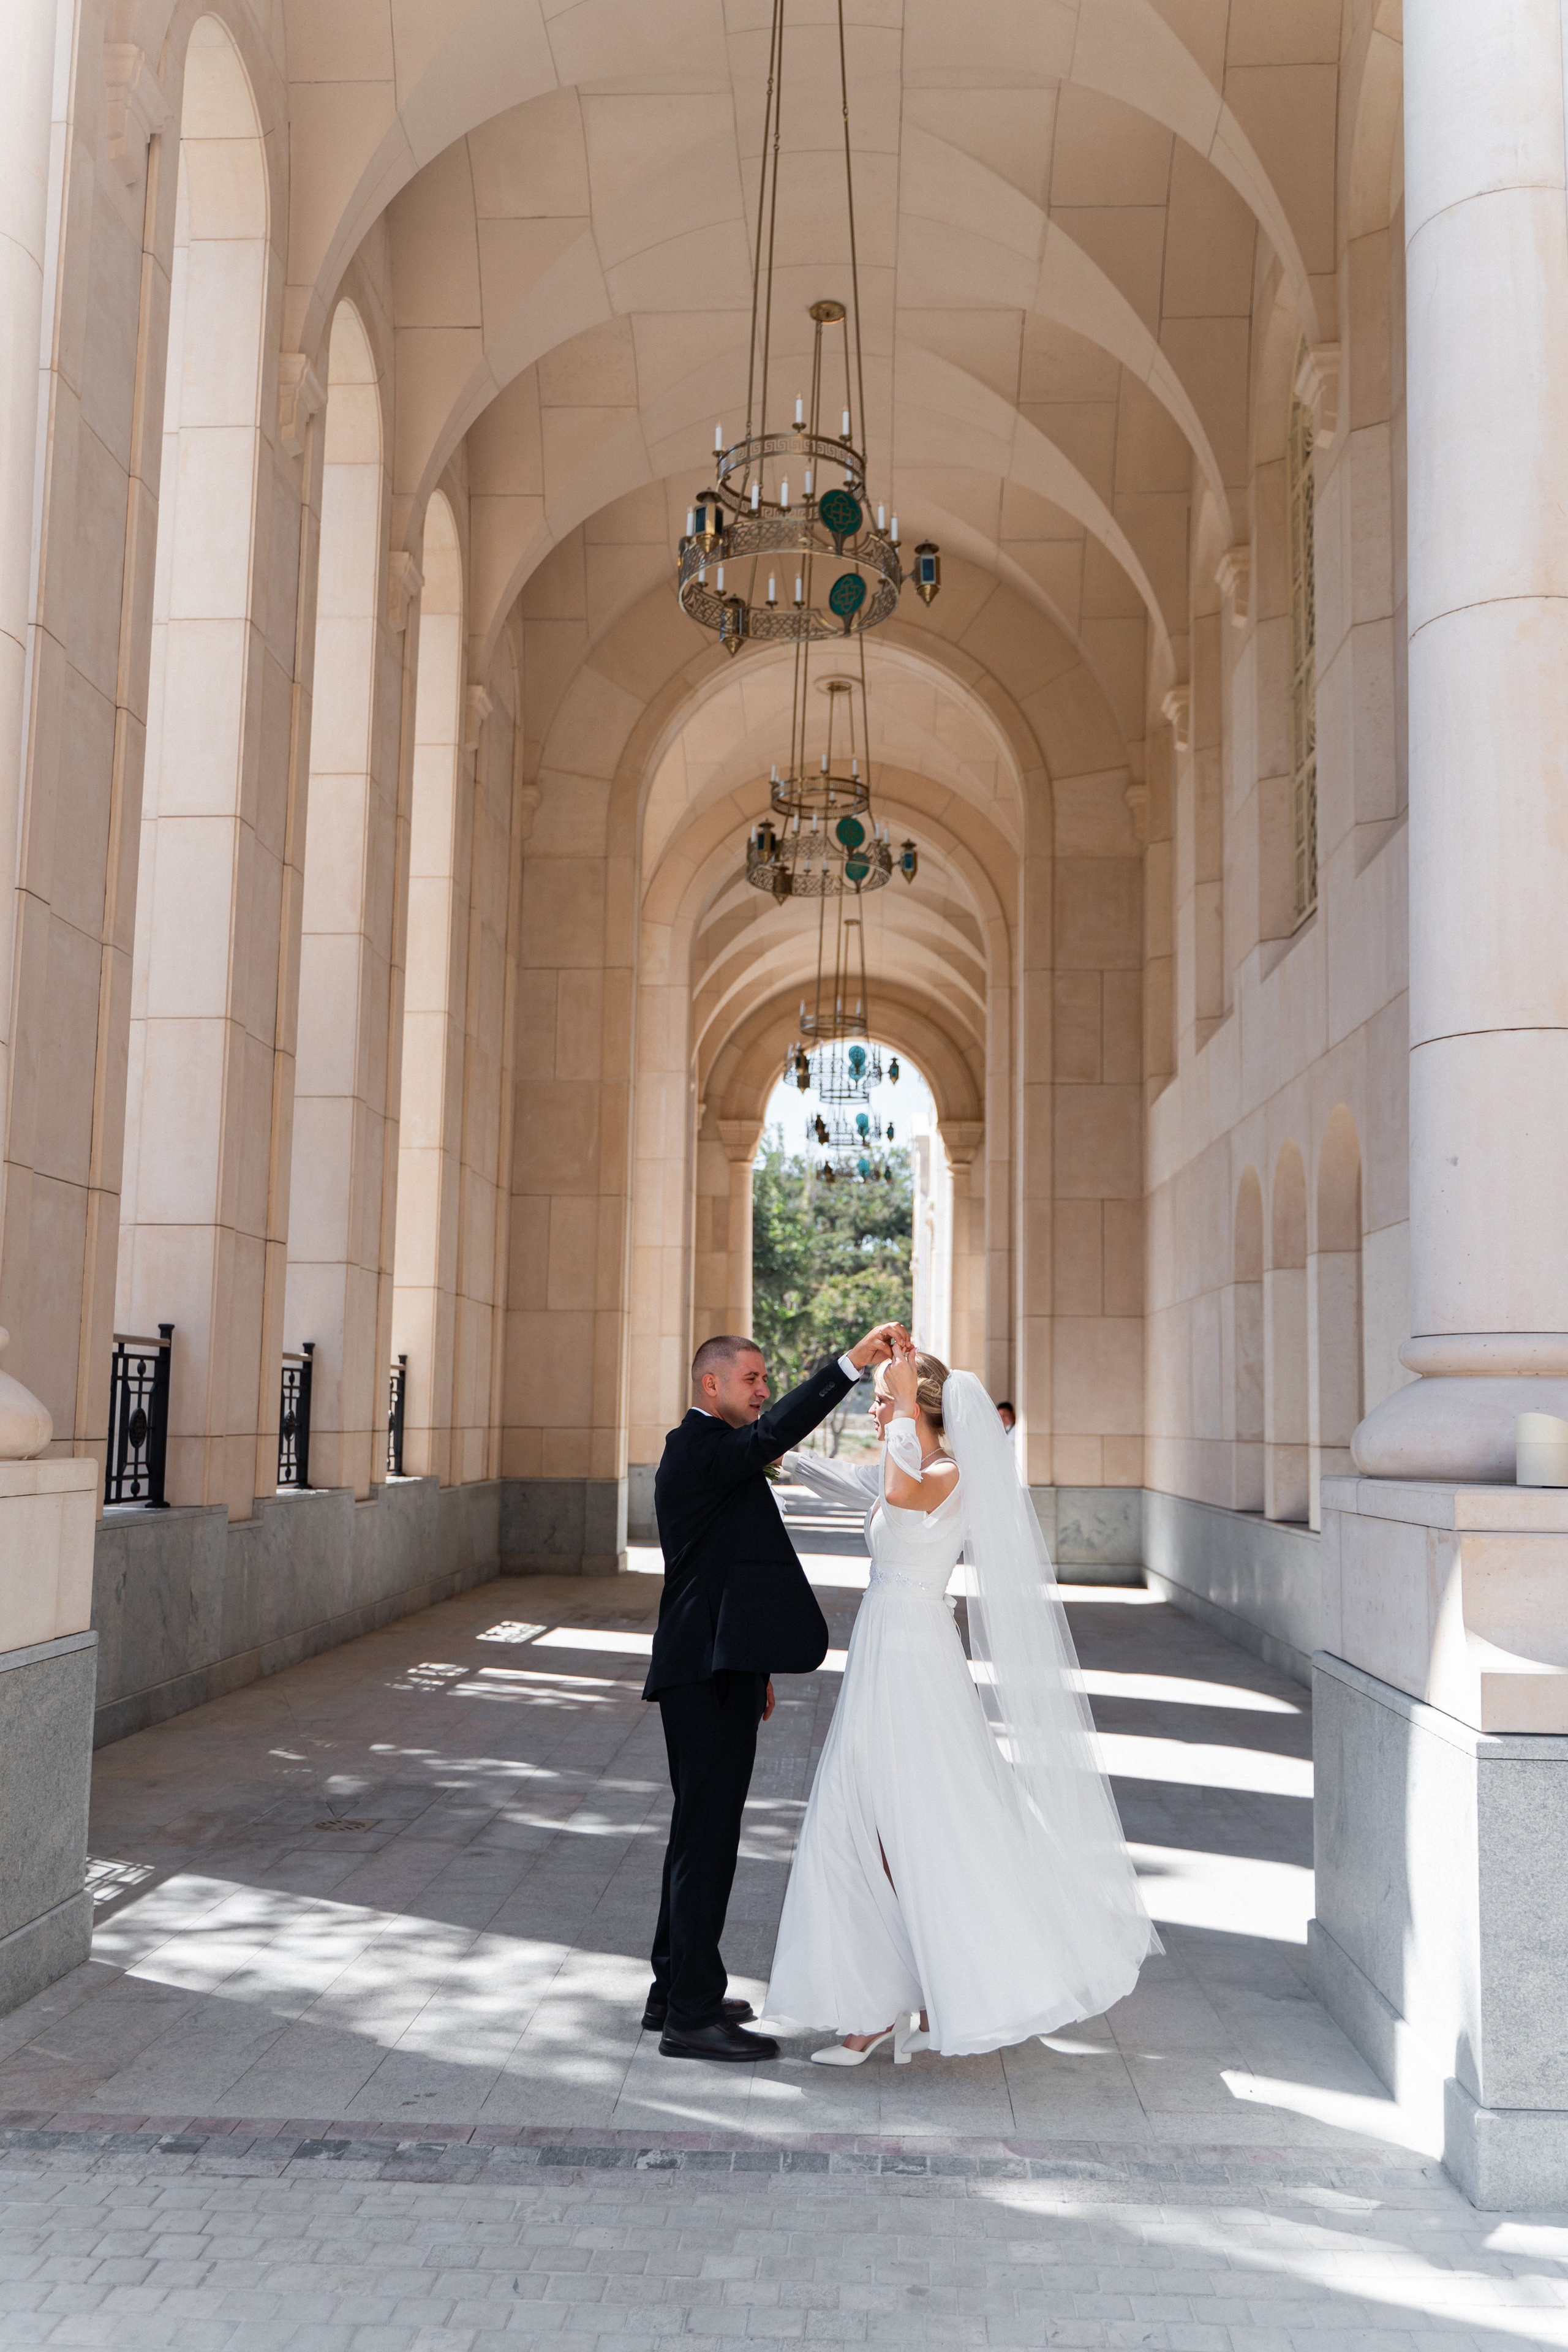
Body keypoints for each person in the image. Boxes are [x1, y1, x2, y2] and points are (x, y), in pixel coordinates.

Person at [765, 1337, 1158, 2062]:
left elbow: (900, 1490)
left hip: (914, 1656)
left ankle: (911, 1997)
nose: (876, 1408)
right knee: (865, 1815)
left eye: (884, 1398)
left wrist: (902, 1409)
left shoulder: (944, 1472)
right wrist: (771, 1454)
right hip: (885, 1647)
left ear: (921, 1405)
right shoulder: (908, 1463)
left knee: (917, 1818)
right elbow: (858, 1484)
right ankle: (885, 1996)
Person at [642, 1321, 908, 2062]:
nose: (763, 1391)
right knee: (708, 1840)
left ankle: (675, 1990)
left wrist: (754, 1669)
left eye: (766, 1380)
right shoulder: (698, 1447)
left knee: (698, 1832)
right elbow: (768, 1443)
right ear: (711, 1385)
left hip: (721, 1667)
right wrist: (849, 1366)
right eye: (753, 1380)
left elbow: (732, 1572)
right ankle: (690, 2017)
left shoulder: (711, 1451)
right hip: (701, 1671)